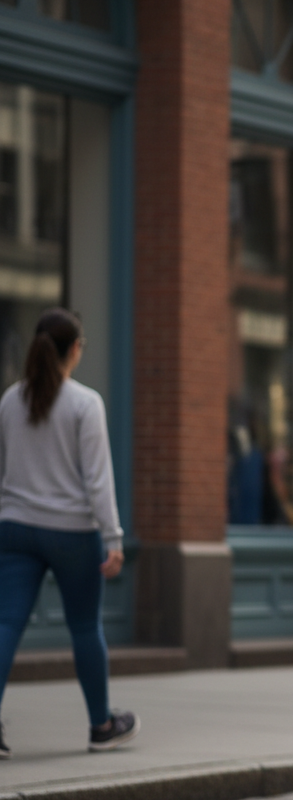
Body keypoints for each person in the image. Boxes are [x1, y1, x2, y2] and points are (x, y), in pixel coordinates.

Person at [0, 309, 139, 759]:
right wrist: (113, 538)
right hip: (72, 534)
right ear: (74, 349)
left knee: (5, 624)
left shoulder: (9, 401)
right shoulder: (84, 403)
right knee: (84, 626)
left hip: (15, 528)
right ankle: (101, 726)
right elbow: (98, 480)